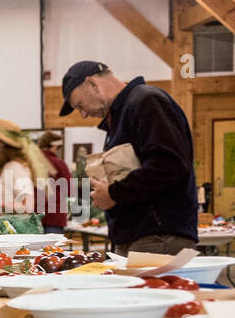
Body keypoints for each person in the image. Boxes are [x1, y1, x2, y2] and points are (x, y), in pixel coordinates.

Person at [59, 60, 198, 256]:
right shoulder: (120, 115)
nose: (83, 114)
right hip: (139, 237)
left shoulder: (146, 101)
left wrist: (114, 193)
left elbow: (170, 164)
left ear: (92, 84)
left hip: (157, 236)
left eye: (80, 105)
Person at [0, 117, 54, 215]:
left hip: (12, 229)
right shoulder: (1, 168)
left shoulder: (15, 167)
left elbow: (27, 206)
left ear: (1, 142)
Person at [34, 131, 73, 231]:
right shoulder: (59, 164)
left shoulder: (31, 163)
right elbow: (69, 190)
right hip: (54, 215)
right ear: (54, 146)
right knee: (53, 246)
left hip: (34, 215)